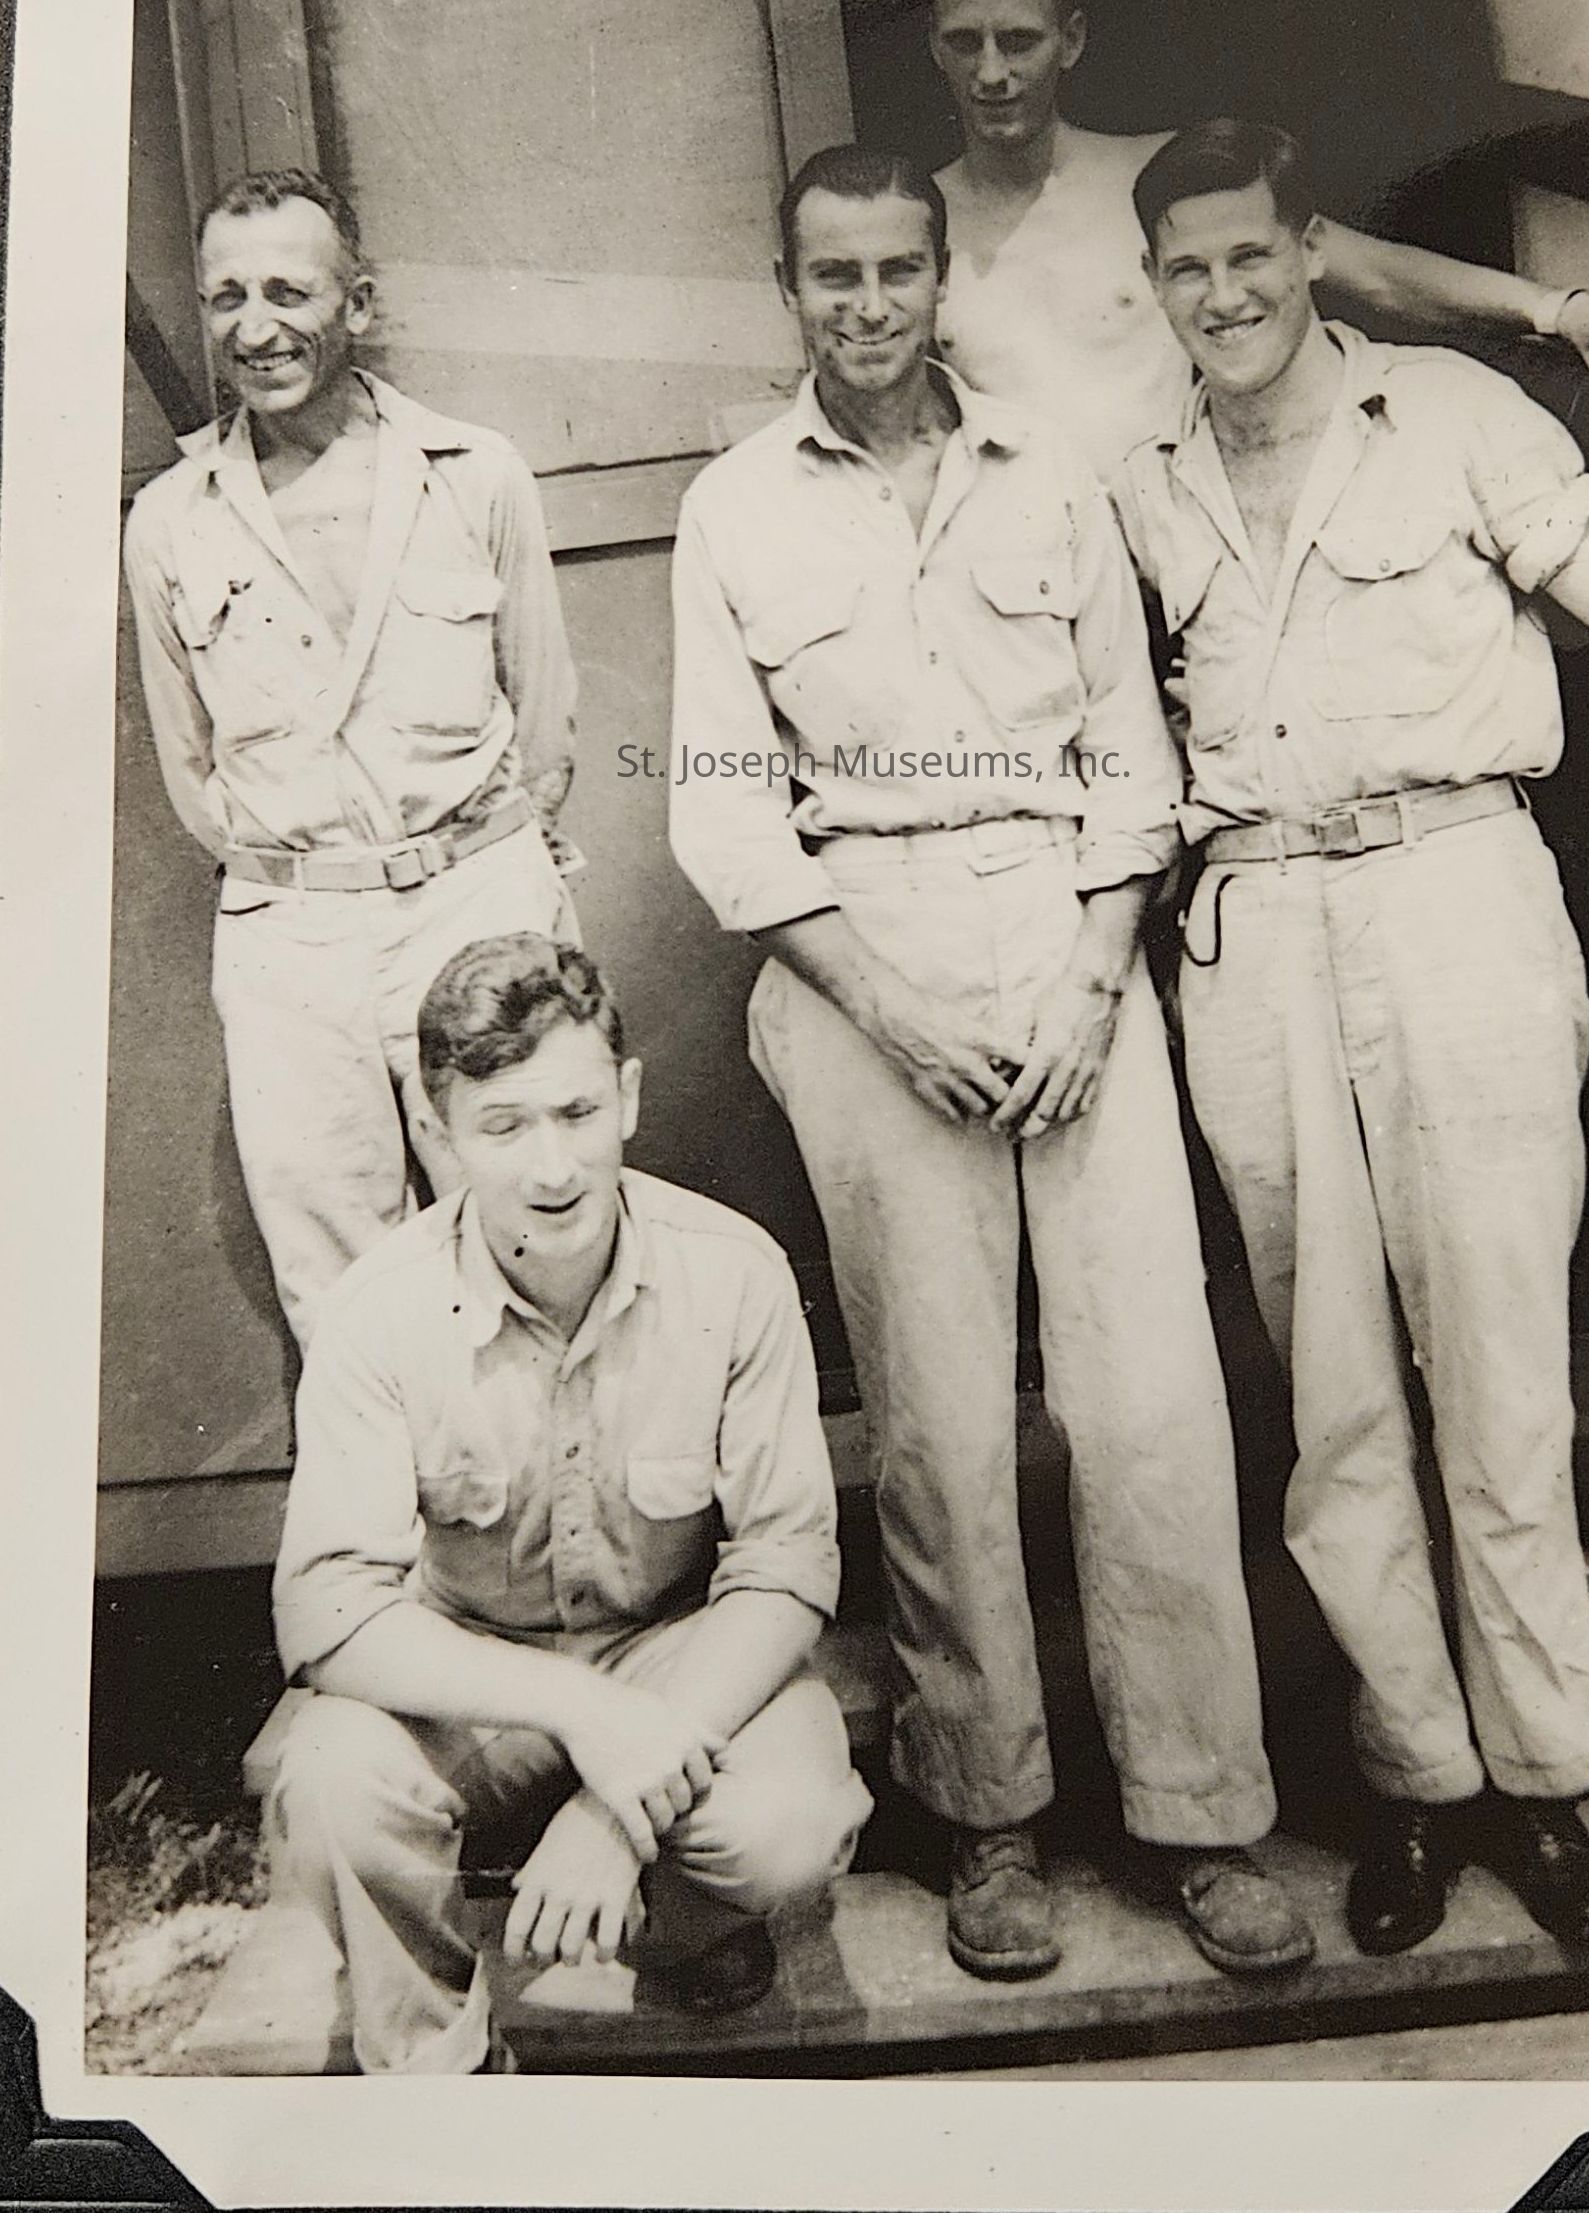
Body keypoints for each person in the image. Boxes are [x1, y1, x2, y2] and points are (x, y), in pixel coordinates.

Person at [667, 141, 1312, 1986]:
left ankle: (1200, 1811)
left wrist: (1098, 975)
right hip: (862, 957)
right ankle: (987, 1813)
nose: (868, 305)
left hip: (1066, 935)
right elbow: (724, 812)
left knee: (1150, 1401)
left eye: (897, 269)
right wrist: (889, 1008)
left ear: (939, 277)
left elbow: (1130, 747)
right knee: (939, 1421)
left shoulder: (1047, 471)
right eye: (833, 275)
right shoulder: (734, 509)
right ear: (788, 290)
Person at [1117, 118, 1589, 1958]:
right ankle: (1417, 1776)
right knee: (1330, 1391)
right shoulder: (1138, 482)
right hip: (1253, 930)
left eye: (1248, 253)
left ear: (1307, 247)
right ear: (1150, 287)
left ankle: (1548, 1772)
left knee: (1496, 1358)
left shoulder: (1454, 415)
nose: (1222, 293)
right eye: (1186, 268)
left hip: (1452, 889)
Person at [265, 933, 871, 2072]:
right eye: (502, 1126)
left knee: (786, 1821)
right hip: (474, 1673)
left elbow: (786, 1568)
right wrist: (587, 1719)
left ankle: (671, 1924)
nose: (553, 1168)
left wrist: (609, 1815)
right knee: (333, 1784)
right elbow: (329, 1610)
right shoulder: (375, 1311)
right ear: (439, 1131)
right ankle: (437, 2069)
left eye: (578, 1112)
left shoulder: (733, 1271)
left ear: (627, 1096)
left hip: (669, 1650)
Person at [123, 170, 581, 1346]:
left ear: (358, 303)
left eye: (289, 291)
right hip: (293, 940)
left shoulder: (473, 474)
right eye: (227, 298)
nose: (256, 328)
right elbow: (192, 770)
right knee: (340, 1298)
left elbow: (544, 721)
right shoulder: (169, 523)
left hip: (474, 899)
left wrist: (485, 877)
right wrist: (310, 882)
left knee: (540, 1239)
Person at [928, 0, 1589, 481]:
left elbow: (1372, 273)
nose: (991, 72)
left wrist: (1551, 308)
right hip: (1030, 571)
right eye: (965, 42)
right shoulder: (915, 225)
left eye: (1018, 41)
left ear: (1070, 40)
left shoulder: (1157, 178)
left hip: (1184, 541)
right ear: (936, 48)